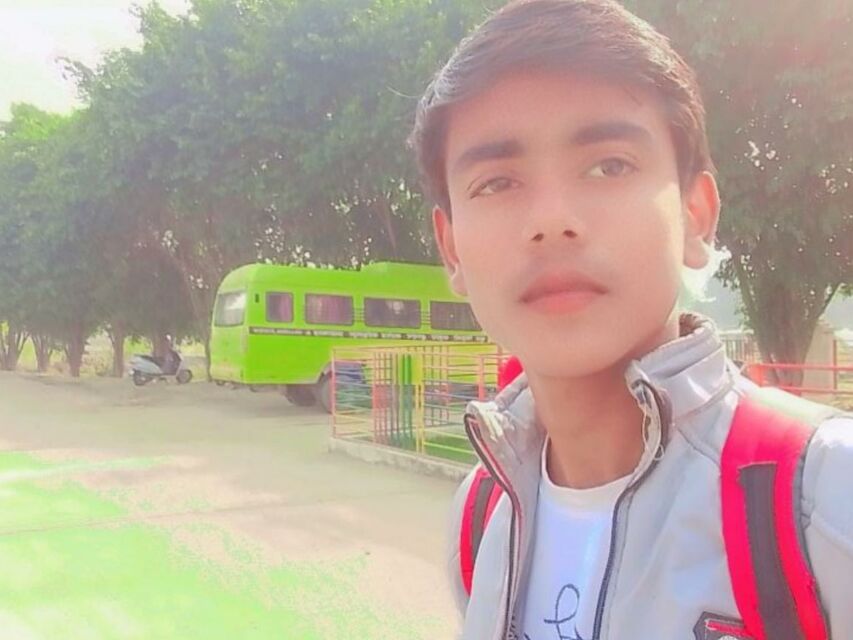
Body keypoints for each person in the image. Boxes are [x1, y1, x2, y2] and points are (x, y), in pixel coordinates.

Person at [407, 1, 853, 639]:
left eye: (609, 165)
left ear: (696, 215)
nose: (551, 220)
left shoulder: (825, 500)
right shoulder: (483, 516)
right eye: (497, 183)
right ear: (452, 249)